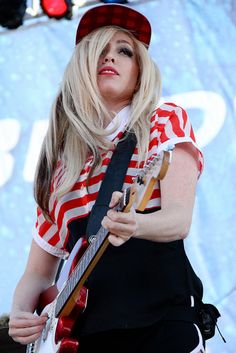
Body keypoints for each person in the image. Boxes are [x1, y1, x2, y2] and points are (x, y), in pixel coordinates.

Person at [8, 3, 206, 353]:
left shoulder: (162, 121)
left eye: (124, 51)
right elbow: (38, 274)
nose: (110, 57)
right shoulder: (59, 165)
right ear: (81, 66)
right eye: (99, 50)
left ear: (140, 70)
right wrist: (22, 313)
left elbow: (178, 220)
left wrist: (136, 226)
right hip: (84, 338)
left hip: (159, 324)